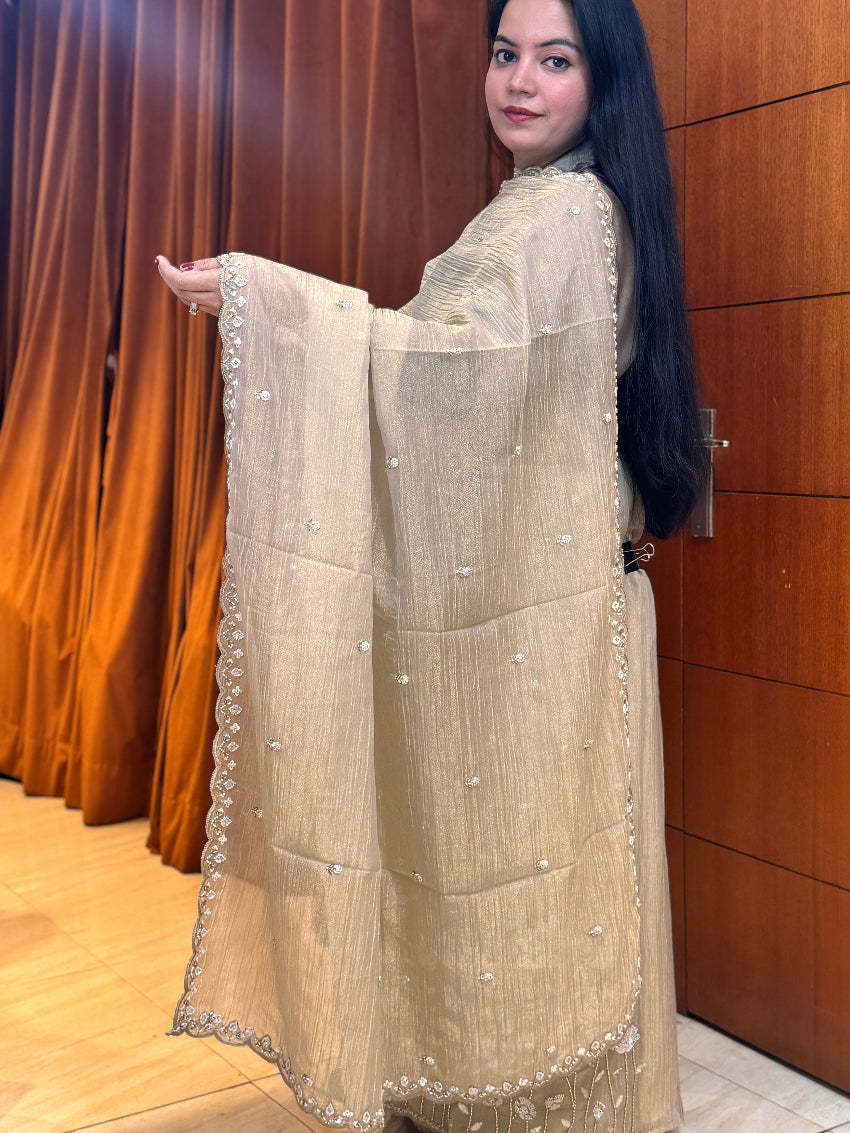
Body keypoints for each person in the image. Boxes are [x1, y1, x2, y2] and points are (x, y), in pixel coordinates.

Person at [157, 1, 705, 1131]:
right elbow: (456, 383)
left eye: (555, 60)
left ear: (604, 80)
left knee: (538, 875)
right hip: (558, 607)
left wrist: (273, 301)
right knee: (514, 867)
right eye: (506, 54)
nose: (519, 81)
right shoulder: (538, 206)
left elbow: (458, 371)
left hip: (559, 618)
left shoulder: (568, 213)